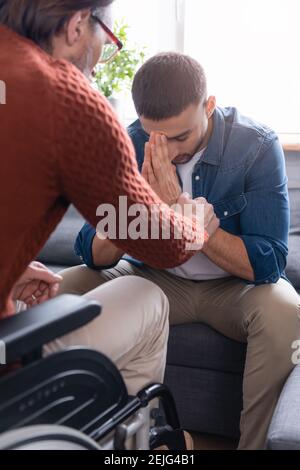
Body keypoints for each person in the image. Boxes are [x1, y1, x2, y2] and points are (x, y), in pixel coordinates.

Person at [61, 52, 300, 449]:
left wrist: (186, 218)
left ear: (209, 106)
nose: (168, 150)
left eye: (180, 136)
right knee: (61, 289)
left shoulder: (256, 146)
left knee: (288, 313)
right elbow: (89, 250)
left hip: (233, 290)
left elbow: (270, 263)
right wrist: (140, 208)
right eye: (158, 136)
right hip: (153, 276)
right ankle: (77, 439)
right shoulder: (129, 140)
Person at [0, 1, 218, 400]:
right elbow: (164, 243)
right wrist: (190, 219)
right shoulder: (65, 98)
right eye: (108, 37)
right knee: (146, 297)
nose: (102, 57)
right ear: (77, 24)